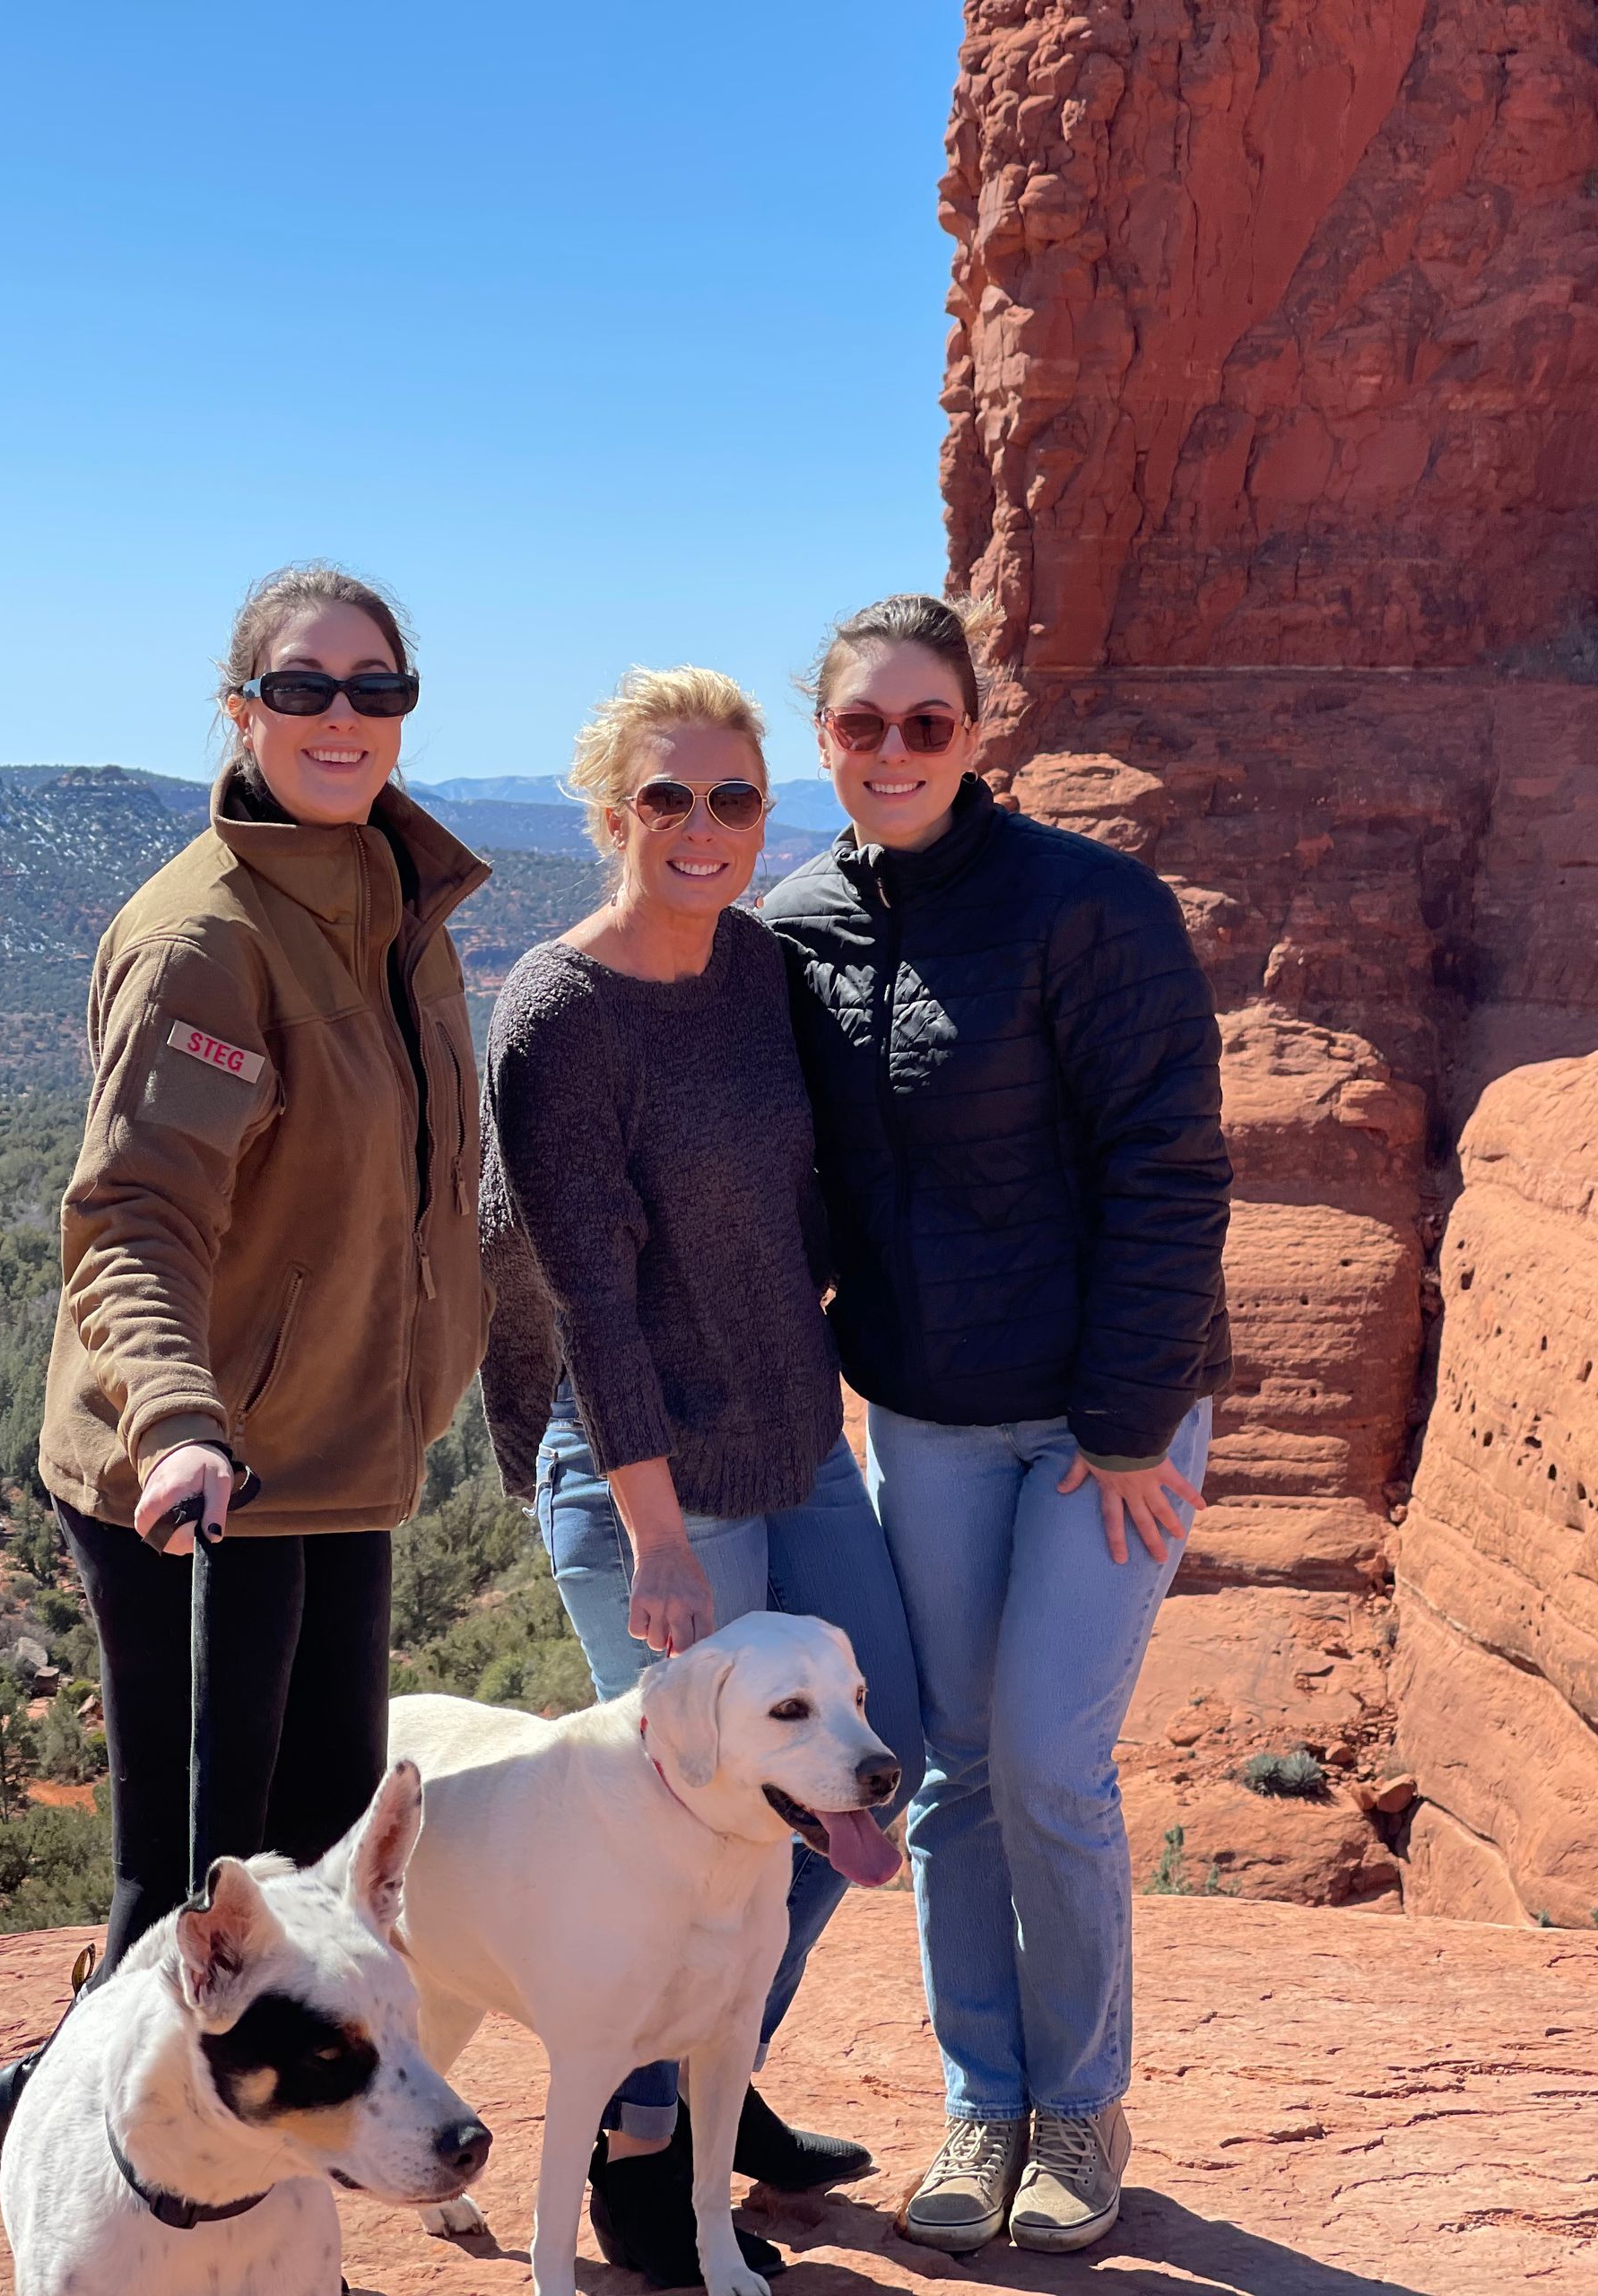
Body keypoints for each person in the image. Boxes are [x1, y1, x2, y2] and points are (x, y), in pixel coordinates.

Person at [0, 562, 491, 2187]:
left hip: (340, 1458)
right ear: (242, 710)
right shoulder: (205, 937)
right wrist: (181, 1423)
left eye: (375, 688)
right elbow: (133, 1218)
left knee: (308, 1862)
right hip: (202, 1476)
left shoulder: (391, 907)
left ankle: (195, 2176)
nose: (341, 717)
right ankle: (78, 2179)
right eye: (302, 688)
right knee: (198, 1893)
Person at [762, 594, 1231, 2257]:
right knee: (951, 1771)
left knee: (1044, 1757)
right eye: (861, 725)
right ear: (824, 739)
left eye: (927, 724)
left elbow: (1172, 1164)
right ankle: (985, 2101)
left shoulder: (1089, 906)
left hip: (1105, 1424)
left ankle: (1082, 2102)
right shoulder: (795, 925)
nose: (892, 752)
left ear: (977, 734)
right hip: (931, 1419)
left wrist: (1130, 1419)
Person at [481, 665, 925, 2290]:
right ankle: (644, 2152)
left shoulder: (755, 968)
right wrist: (656, 1537)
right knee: (679, 1820)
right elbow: (587, 1297)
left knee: (878, 1747)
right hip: (648, 1469)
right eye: (668, 797)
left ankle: (725, 2058)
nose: (705, 826)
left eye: (735, 797)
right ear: (614, 814)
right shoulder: (558, 1011)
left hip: (797, 1441)